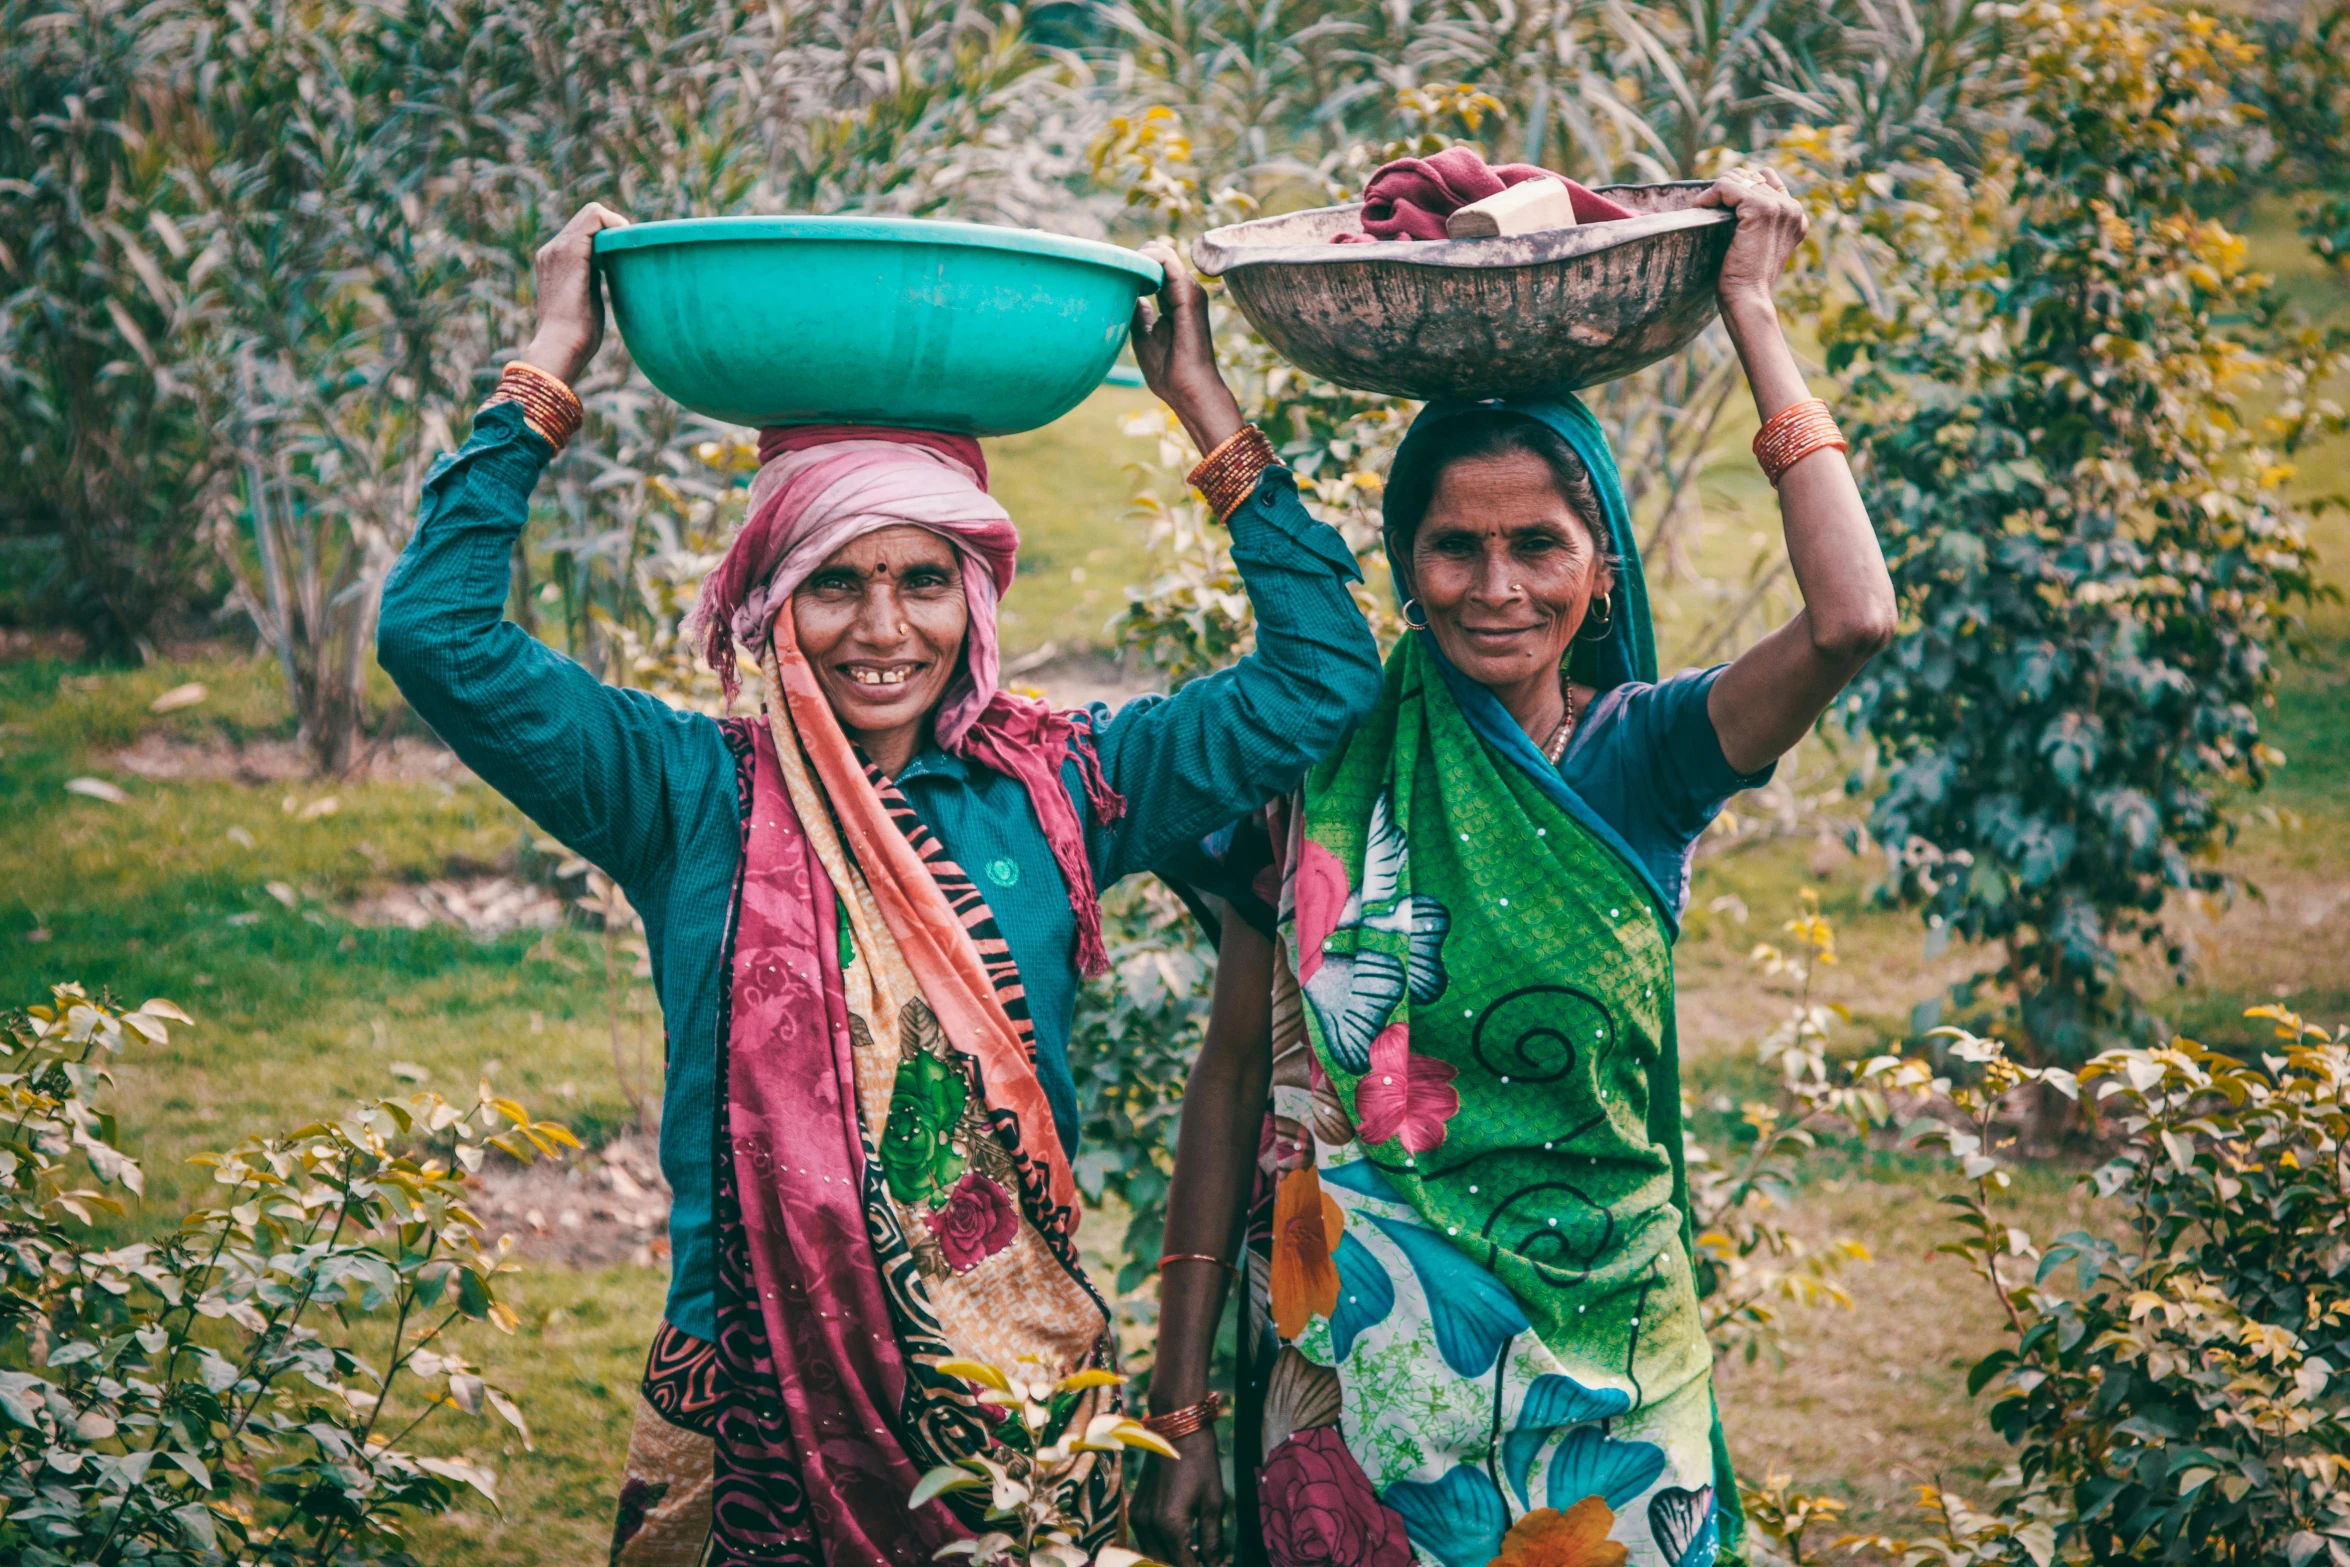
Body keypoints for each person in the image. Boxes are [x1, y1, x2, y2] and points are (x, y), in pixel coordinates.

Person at [376, 205, 1384, 1567]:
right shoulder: (682, 794)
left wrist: (1200, 402)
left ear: (974, 597)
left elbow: (1321, 673)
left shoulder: (1063, 785)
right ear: (768, 599)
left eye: (923, 579)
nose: (883, 627)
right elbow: (436, 634)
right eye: (835, 581)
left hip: (1012, 1412)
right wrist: (550, 361)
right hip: (748, 1414)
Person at [1135, 164, 1897, 1567]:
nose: (1497, 588)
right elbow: (1234, 1067)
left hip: (1611, 1364)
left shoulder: (1646, 755)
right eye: (1453, 548)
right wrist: (1178, 1394)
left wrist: (1751, 312)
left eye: (1537, 546)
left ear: (1600, 568)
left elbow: (1850, 618)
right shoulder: (1327, 755)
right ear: (1405, 565)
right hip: (1360, 1376)